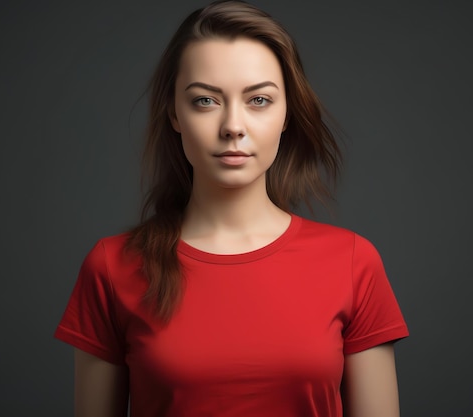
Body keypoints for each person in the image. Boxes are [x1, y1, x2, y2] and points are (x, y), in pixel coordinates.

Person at [55, 1, 409, 416]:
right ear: (174, 113)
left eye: (258, 100)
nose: (233, 126)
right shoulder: (112, 267)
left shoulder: (352, 262)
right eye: (206, 101)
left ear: (286, 115)